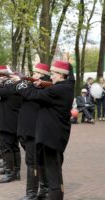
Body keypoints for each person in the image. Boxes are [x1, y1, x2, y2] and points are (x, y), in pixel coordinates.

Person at [12, 60, 75, 199]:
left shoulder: (58, 89)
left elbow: (32, 95)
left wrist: (19, 82)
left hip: (51, 137)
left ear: (61, 75)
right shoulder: (63, 87)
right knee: (52, 172)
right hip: (51, 136)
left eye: (53, 74)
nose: (51, 76)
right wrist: (38, 84)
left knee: (54, 177)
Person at [16, 63, 51, 200]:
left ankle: (32, 193)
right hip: (28, 130)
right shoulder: (33, 86)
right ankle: (44, 188)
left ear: (42, 76)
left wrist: (19, 81)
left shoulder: (44, 89)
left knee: (32, 162)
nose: (33, 75)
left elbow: (28, 93)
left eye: (36, 73)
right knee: (37, 161)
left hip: (34, 130)